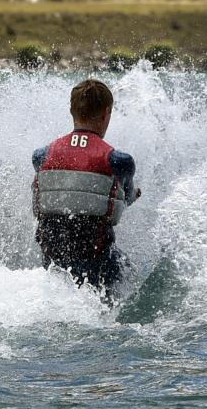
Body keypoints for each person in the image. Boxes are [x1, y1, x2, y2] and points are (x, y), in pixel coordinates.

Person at [32, 79, 140, 298]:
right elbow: (126, 198)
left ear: (72, 111)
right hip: (98, 264)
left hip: (53, 263)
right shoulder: (118, 161)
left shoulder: (42, 156)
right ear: (106, 113)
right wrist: (132, 196)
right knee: (133, 273)